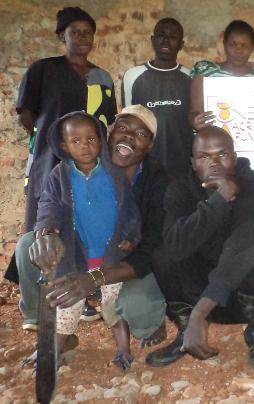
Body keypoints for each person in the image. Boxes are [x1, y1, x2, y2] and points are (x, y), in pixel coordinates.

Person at [21, 105, 169, 370]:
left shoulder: (155, 180)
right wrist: (46, 232)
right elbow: (49, 204)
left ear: (150, 145)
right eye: (122, 128)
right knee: (29, 246)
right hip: (78, 253)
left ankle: (136, 337)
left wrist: (128, 240)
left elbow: (149, 241)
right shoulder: (67, 170)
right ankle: (49, 333)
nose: (129, 136)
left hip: (120, 259)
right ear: (110, 134)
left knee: (128, 308)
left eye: (140, 134)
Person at [145, 126, 254, 370]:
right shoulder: (179, 189)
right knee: (163, 255)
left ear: (234, 158)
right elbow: (175, 246)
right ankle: (187, 331)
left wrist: (201, 311)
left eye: (222, 155)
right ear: (193, 163)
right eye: (204, 156)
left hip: (241, 298)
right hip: (199, 295)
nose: (214, 163)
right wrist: (218, 200)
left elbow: (246, 242)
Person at [16, 6, 117, 232]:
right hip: (50, 160)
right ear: (63, 36)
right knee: (44, 226)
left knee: (86, 229)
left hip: (92, 165)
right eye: (76, 32)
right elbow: (26, 116)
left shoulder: (103, 77)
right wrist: (50, 141)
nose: (82, 37)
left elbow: (106, 120)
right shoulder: (43, 70)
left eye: (87, 32)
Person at [121, 18, 192, 180]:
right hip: (145, 166)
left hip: (182, 165)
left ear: (181, 45)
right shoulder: (133, 76)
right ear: (152, 40)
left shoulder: (190, 77)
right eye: (161, 35)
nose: (166, 40)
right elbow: (129, 122)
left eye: (173, 37)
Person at [189, 20, 254, 132]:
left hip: (249, 141)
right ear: (224, 44)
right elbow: (194, 111)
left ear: (252, 48)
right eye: (233, 44)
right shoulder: (205, 72)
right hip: (212, 141)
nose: (238, 50)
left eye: (244, 45)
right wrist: (195, 120)